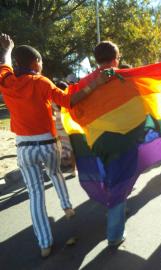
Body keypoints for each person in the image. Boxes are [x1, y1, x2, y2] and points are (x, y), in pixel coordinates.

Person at [0, 33, 108, 257]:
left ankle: (44, 244)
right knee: (55, 172)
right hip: (48, 144)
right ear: (37, 63)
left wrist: (7, 49)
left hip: (24, 149)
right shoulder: (41, 82)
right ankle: (66, 205)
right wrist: (96, 83)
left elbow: (4, 65)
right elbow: (69, 101)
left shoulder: (6, 81)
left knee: (35, 195)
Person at [80, 40, 126, 247]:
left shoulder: (85, 83)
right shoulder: (125, 78)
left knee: (109, 180)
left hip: (96, 141)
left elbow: (74, 105)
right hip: (120, 141)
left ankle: (114, 209)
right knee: (119, 184)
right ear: (116, 58)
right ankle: (114, 235)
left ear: (96, 60)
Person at [53, 81, 76, 177]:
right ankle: (74, 169)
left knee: (64, 146)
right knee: (73, 146)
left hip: (58, 124)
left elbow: (52, 111)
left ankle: (67, 169)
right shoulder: (69, 98)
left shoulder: (53, 98)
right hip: (69, 122)